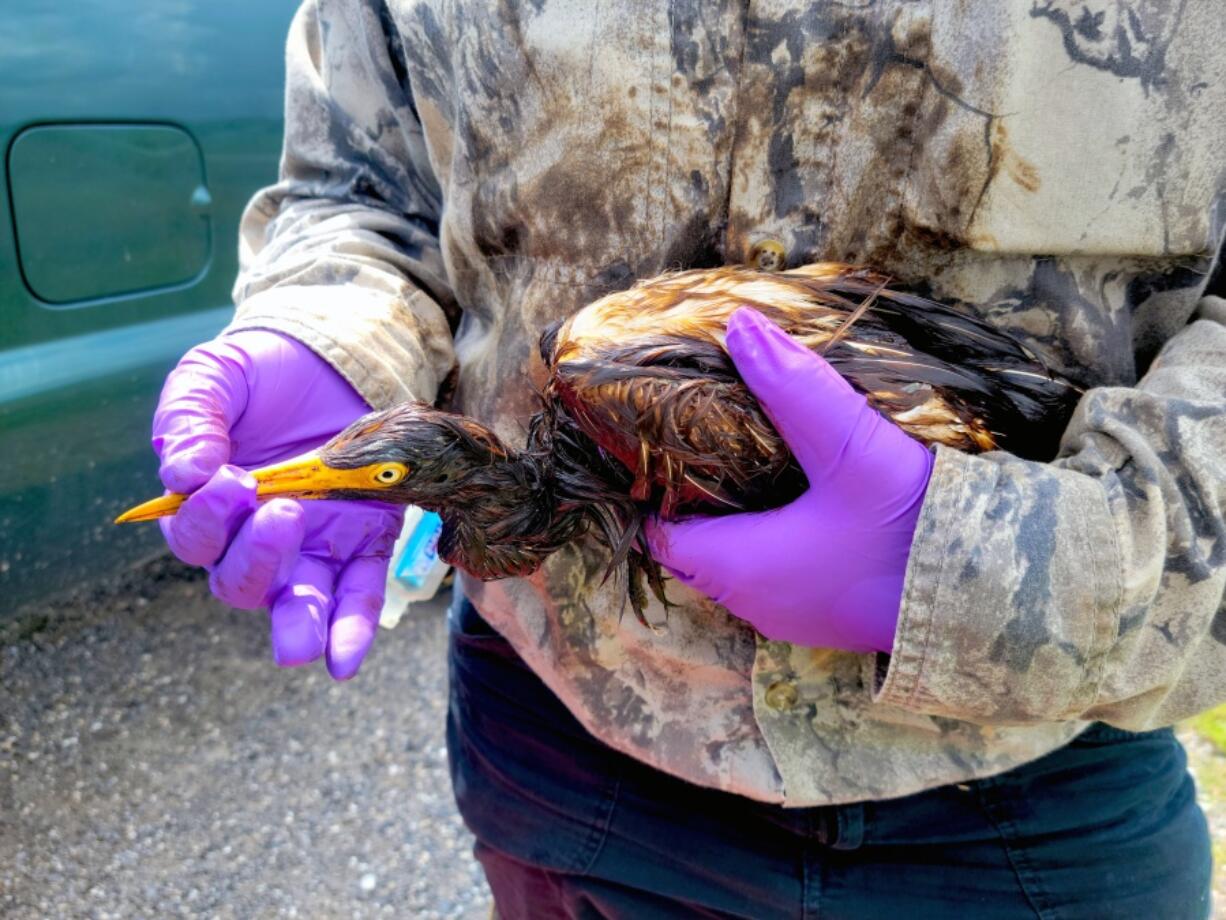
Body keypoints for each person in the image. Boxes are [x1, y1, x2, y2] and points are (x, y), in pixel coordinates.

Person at [150, 2, 1226, 916]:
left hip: (1022, 790)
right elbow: (367, 191)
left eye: (377, 474)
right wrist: (336, 337)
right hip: (560, 757)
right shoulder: (568, 427)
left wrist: (993, 564)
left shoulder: (616, 399)